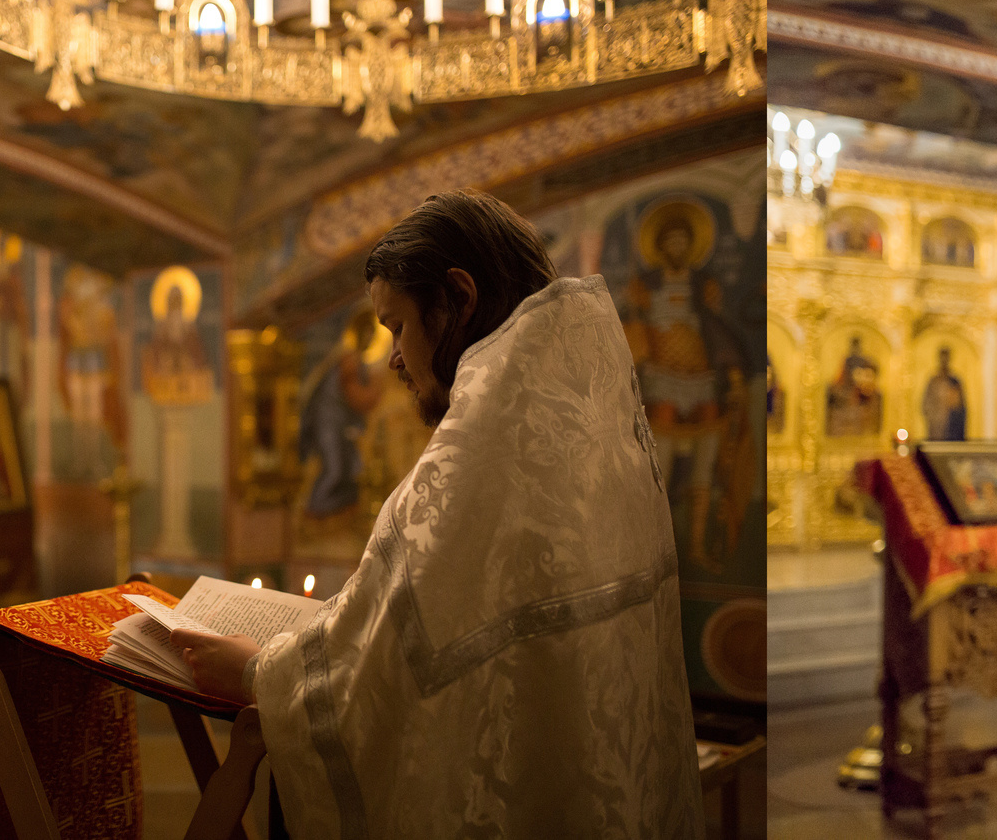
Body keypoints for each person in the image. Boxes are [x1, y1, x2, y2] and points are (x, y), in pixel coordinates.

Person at [169, 190, 701, 837]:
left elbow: (372, 671)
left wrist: (254, 670)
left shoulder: (488, 442)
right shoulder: (595, 411)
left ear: (458, 297)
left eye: (397, 326)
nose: (393, 356)